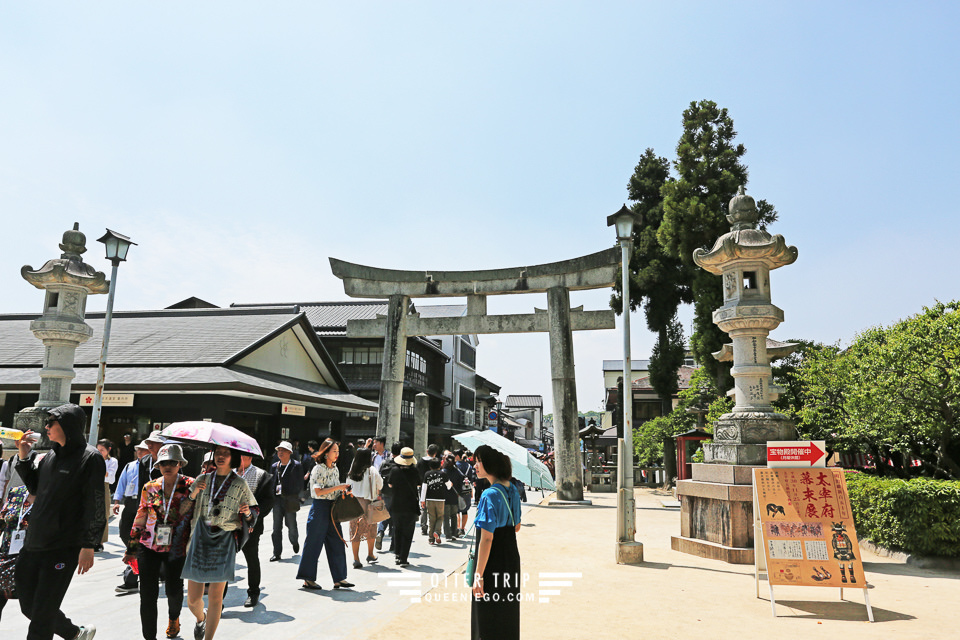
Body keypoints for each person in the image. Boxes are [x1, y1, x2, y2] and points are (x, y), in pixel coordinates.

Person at [15, 404, 103, 640]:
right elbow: (35, 488)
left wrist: (88, 545)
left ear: (67, 426)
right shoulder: (50, 456)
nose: (46, 427)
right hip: (34, 542)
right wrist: (24, 457)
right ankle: (74, 633)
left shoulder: (90, 458)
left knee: (42, 615)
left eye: (51, 423)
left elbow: (95, 504)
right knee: (29, 606)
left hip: (64, 546)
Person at [181, 446, 258, 640]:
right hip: (199, 537)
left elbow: (253, 514)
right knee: (193, 599)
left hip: (225, 538)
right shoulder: (202, 479)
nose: (221, 457)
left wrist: (247, 512)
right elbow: (182, 510)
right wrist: (192, 494)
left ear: (233, 457)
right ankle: (201, 619)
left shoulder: (240, 484)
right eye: (218, 453)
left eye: (226, 453)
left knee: (216, 598)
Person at [124, 444, 195, 640]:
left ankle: (174, 618)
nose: (167, 466)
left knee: (173, 591)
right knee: (147, 595)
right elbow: (140, 516)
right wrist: (131, 548)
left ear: (180, 464)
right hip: (149, 547)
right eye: (163, 463)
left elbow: (198, 515)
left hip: (177, 548)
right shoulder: (150, 487)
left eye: (172, 462)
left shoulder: (192, 485)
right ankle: (149, 637)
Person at [470, 445, 523, 640]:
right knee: (507, 611)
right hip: (510, 557)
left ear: (490, 464)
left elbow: (487, 538)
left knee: (486, 614)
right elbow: (516, 526)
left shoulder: (489, 494)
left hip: (491, 561)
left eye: (479, 461)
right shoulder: (514, 490)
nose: (475, 465)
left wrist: (478, 575)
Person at [296, 439, 352, 590]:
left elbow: (333, 489)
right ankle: (307, 579)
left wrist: (343, 490)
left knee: (337, 542)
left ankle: (339, 578)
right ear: (326, 453)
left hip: (333, 509)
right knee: (313, 544)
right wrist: (338, 486)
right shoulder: (317, 469)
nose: (337, 454)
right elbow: (317, 491)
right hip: (319, 508)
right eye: (334, 451)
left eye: (338, 452)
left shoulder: (335, 469)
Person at [234, 453, 274, 607]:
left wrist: (252, 517)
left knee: (252, 558)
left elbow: (268, 501)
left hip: (251, 525)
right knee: (226, 561)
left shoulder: (261, 475)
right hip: (229, 524)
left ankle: (253, 592)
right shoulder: (228, 473)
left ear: (250, 457)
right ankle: (219, 597)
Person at [113, 440, 151, 594]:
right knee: (124, 532)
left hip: (146, 505)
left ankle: (132, 576)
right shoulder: (130, 465)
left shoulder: (153, 467)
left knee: (138, 541)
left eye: (144, 450)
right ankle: (135, 560)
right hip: (130, 502)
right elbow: (122, 483)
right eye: (139, 450)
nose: (140, 452)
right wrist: (117, 501)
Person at [345, 447, 382, 569]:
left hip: (354, 504)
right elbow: (380, 484)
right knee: (370, 530)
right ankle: (370, 554)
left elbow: (347, 487)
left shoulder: (352, 470)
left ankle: (356, 559)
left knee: (355, 531)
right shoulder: (372, 470)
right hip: (368, 504)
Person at [0, 485, 33, 621]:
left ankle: (74, 633)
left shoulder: (52, 493)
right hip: (6, 558)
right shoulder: (16, 492)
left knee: (31, 608)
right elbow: (3, 519)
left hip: (33, 560)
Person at [269, 441, 303, 561]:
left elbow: (300, 483)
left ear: (289, 452)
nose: (280, 453)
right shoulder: (274, 466)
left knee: (291, 525)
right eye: (279, 450)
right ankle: (277, 553)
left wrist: (295, 494)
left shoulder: (296, 465)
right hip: (277, 501)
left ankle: (294, 541)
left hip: (290, 500)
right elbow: (271, 482)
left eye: (283, 450)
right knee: (276, 528)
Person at [387, 448, 420, 567]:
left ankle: (397, 555)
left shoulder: (394, 470)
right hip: (410, 505)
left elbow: (390, 484)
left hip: (396, 504)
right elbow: (419, 484)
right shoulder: (414, 471)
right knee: (408, 532)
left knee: (397, 529)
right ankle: (404, 558)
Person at [375, 441, 402, 553]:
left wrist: (379, 494)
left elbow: (379, 479)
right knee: (396, 519)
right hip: (398, 494)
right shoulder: (401, 464)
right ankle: (393, 545)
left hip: (386, 493)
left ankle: (380, 532)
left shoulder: (385, 462)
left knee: (385, 515)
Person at [420, 458, 447, 547]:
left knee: (431, 518)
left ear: (430, 466)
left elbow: (424, 488)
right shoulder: (443, 474)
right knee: (440, 517)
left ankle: (431, 539)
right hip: (441, 499)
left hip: (429, 499)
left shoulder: (427, 474)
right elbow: (449, 485)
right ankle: (437, 532)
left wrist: (422, 500)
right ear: (440, 465)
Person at [96, 439, 117, 548]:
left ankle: (100, 541)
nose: (99, 452)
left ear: (109, 450)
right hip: (92, 485)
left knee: (103, 514)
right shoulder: (92, 459)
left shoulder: (112, 461)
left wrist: (99, 469)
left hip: (104, 486)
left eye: (102, 450)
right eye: (98, 449)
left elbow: (110, 478)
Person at [442, 455, 465, 541]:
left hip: (445, 497)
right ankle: (454, 533)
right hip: (455, 496)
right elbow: (460, 484)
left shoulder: (443, 472)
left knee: (446, 517)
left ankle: (448, 535)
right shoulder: (457, 472)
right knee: (454, 516)